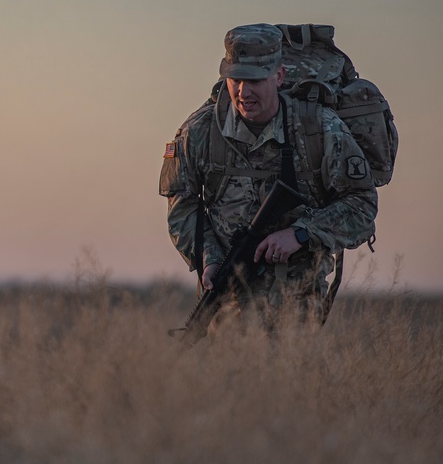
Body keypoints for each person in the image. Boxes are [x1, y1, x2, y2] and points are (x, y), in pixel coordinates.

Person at [159, 24, 377, 331]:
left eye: (256, 80)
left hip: (297, 306)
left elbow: (362, 204)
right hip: (227, 302)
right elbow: (182, 205)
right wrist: (208, 257)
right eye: (235, 79)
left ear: (279, 76)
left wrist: (301, 234)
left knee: (292, 379)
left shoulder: (320, 130)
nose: (243, 92)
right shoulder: (198, 132)